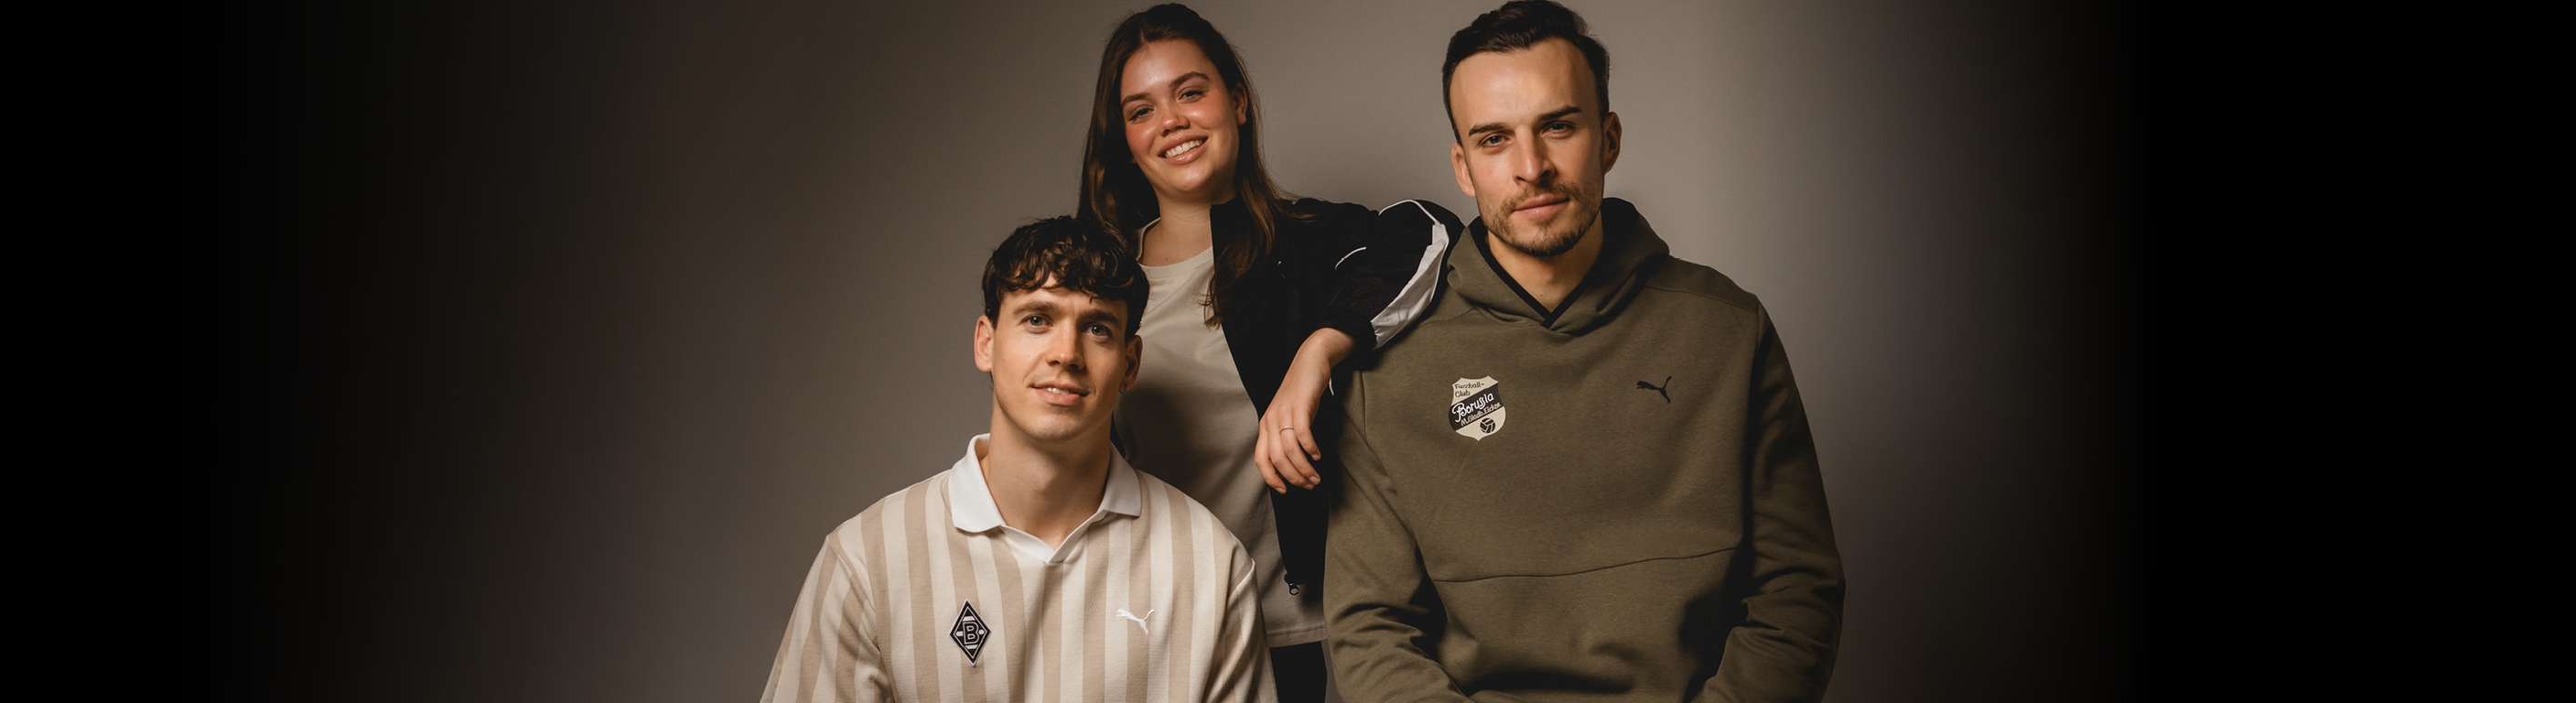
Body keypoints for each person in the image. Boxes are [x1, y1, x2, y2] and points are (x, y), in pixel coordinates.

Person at [1321, 2, 1846, 701]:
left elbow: (1797, 592)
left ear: (1609, 137)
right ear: (1463, 167)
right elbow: (1369, 631)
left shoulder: (1726, 330)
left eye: (1558, 126)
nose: (1530, 167)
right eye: (1493, 140)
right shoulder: (1387, 365)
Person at [1075, 5, 1460, 701]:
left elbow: (1431, 231)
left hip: (1313, 631)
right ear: (1125, 141)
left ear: (1239, 102)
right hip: (1168, 639)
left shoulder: (1311, 246)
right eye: (1142, 110)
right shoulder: (1103, 292)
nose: (1172, 121)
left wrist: (1317, 355)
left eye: (1192, 92)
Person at [760, 217, 1270, 703]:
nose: (1065, 353)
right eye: (1037, 319)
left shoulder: (1210, 565)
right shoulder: (867, 561)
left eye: (1097, 329)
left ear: (1129, 363)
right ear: (986, 342)